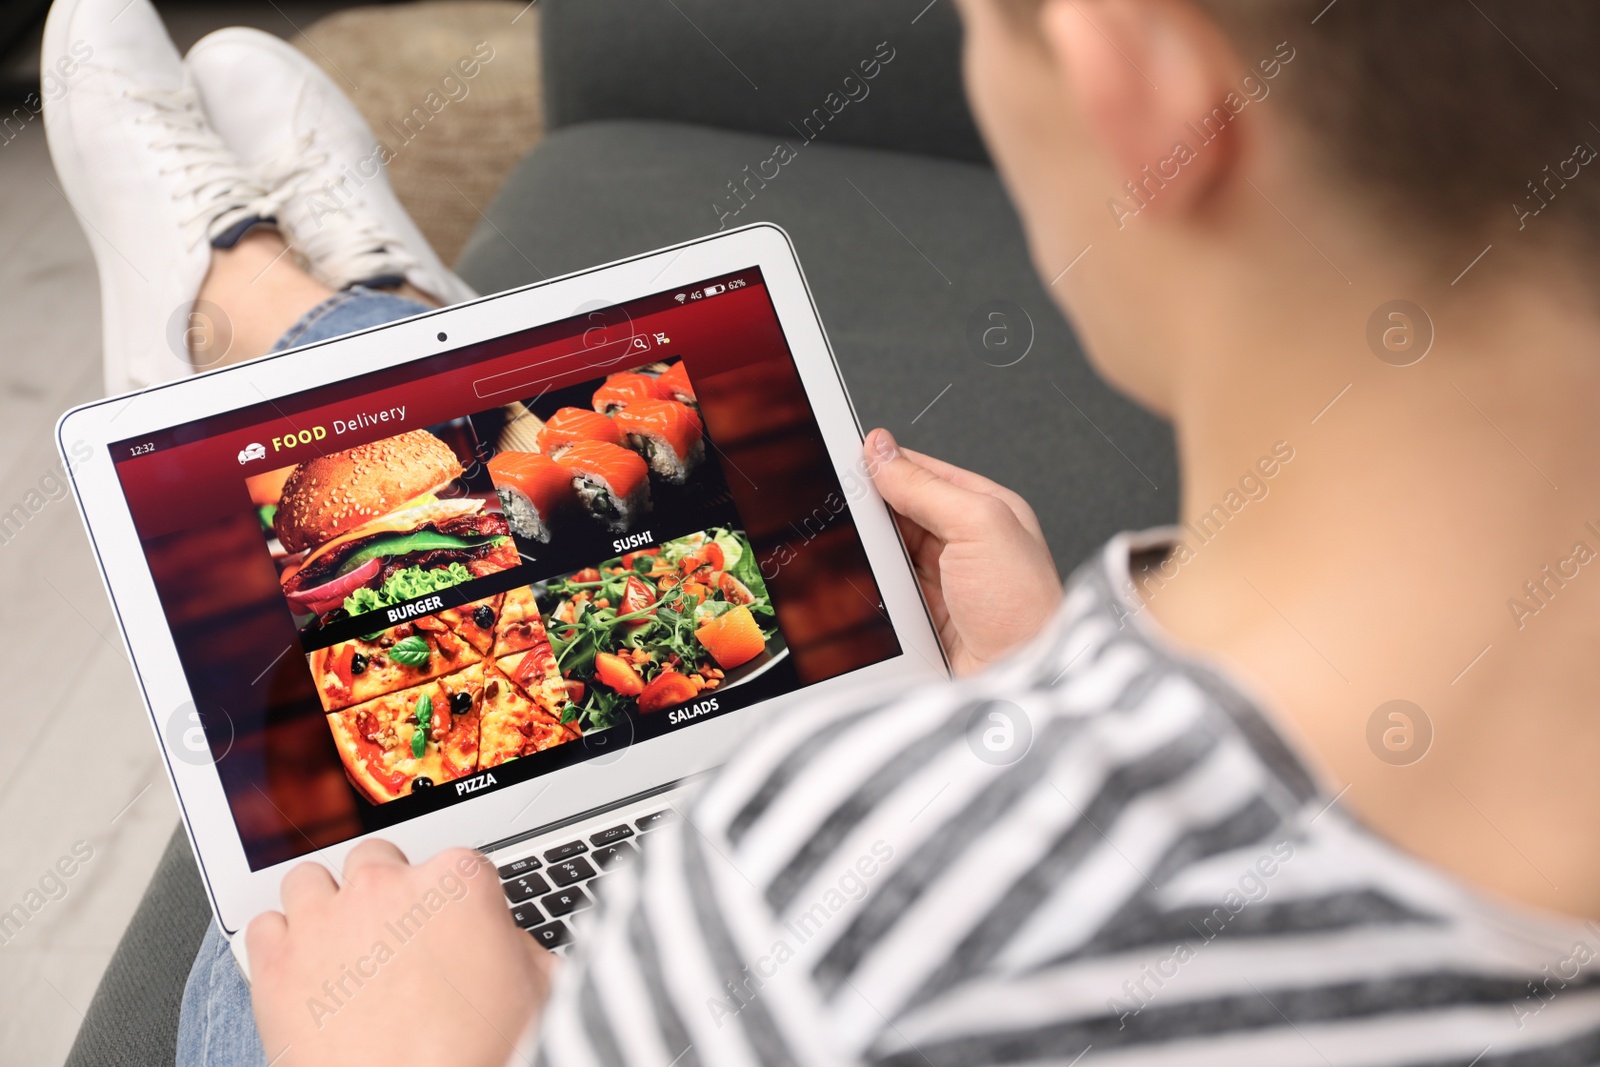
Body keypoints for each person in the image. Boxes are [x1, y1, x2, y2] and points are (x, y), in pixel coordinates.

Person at [45, 0, 1600, 1061]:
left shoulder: (812, 911)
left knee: (313, 909)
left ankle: (277, 312)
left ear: (1139, 84)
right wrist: (1041, 699)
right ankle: (344, 321)